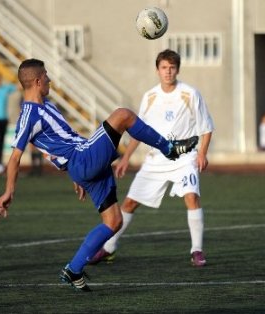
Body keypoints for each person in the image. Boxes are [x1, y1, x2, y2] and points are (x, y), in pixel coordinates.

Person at [0, 58, 199, 292]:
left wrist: (75, 175)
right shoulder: (28, 115)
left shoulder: (47, 105)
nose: (50, 79)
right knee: (123, 115)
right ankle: (170, 149)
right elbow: (15, 158)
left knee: (114, 222)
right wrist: (9, 191)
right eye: (46, 76)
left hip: (82, 166)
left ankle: (74, 269)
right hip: (83, 160)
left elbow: (56, 147)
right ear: (38, 81)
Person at [88, 49, 214, 267]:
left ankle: (197, 250)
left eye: (172, 67)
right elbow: (139, 130)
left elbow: (206, 126)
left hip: (184, 158)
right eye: (164, 67)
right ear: (157, 70)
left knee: (191, 196)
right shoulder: (150, 96)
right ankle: (109, 248)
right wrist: (126, 157)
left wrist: (202, 152)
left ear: (178, 69)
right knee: (129, 202)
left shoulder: (190, 93)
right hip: (155, 159)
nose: (168, 72)